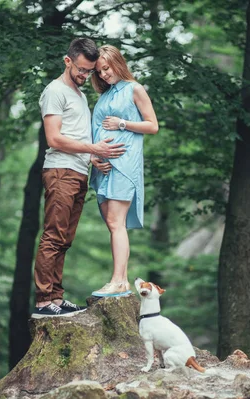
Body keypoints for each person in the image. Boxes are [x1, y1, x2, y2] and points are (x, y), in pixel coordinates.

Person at [32, 38, 127, 318]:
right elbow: (54, 138)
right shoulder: (55, 91)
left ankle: (56, 298)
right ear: (68, 61)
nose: (86, 76)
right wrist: (93, 148)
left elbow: (77, 137)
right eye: (82, 70)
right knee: (53, 236)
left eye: (90, 72)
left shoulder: (80, 94)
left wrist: (92, 158)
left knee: (64, 239)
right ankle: (43, 301)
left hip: (77, 171)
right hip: (60, 171)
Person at [89, 45, 159, 297]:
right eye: (99, 71)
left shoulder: (134, 89)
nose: (104, 74)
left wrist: (122, 123)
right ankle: (121, 280)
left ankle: (118, 281)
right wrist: (93, 157)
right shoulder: (104, 96)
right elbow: (95, 131)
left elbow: (153, 126)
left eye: (106, 68)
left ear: (118, 63)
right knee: (112, 223)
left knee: (116, 222)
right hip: (103, 167)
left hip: (123, 164)